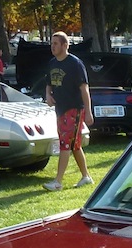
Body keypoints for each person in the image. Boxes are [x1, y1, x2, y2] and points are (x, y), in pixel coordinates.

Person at [43, 31, 94, 191]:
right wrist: (48, 96)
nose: (53, 46)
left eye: (56, 44)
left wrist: (88, 111)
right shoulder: (52, 63)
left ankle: (58, 181)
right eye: (52, 43)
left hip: (74, 109)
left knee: (65, 143)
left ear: (65, 45)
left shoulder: (75, 64)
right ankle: (86, 177)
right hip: (60, 109)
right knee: (74, 145)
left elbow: (84, 88)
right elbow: (49, 83)